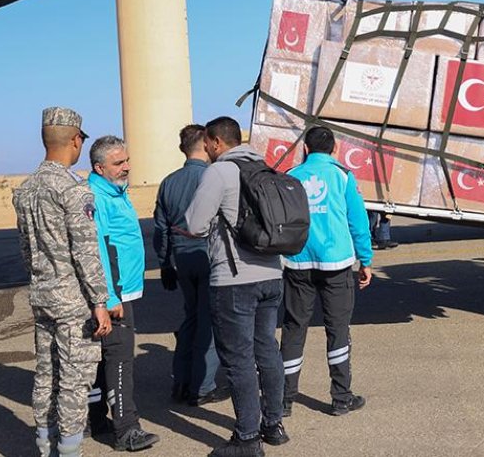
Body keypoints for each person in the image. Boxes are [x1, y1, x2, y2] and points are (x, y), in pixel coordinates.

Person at [12, 108, 114, 457]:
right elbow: (86, 251)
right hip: (72, 301)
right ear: (75, 139)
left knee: (46, 373)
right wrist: (99, 301)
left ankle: (44, 443)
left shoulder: (25, 190)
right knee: (74, 380)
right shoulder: (73, 190)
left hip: (41, 293)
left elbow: (26, 249)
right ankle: (69, 451)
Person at [185, 117, 287, 457]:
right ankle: (273, 425)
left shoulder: (219, 172)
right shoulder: (264, 167)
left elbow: (195, 223)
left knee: (239, 360)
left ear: (215, 142)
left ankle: (246, 439)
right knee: (268, 350)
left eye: (207, 144)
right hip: (272, 273)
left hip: (234, 280)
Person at [280, 126, 374, 419]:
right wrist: (365, 260)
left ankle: (284, 399)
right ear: (334, 149)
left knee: (295, 329)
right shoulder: (343, 176)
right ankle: (341, 398)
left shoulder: (291, 177)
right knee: (338, 330)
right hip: (336, 264)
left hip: (298, 262)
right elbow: (358, 221)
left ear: (305, 149)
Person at [86, 136, 160, 452]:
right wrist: (110, 297)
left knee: (104, 361)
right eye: (119, 163)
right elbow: (98, 249)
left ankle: (96, 419)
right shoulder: (96, 198)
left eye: (127, 161)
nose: (126, 167)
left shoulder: (115, 191)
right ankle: (126, 429)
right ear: (99, 167)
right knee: (119, 360)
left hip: (123, 290)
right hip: (114, 293)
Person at [153, 124, 229, 407]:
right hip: (208, 257)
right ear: (206, 144)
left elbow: (161, 229)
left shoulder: (168, 182)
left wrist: (164, 264)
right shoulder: (213, 177)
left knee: (190, 318)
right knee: (209, 322)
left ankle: (181, 381)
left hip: (182, 261)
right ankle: (203, 386)